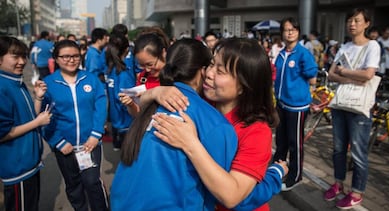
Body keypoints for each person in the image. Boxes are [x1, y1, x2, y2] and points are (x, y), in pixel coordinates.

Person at [151, 37, 288, 211]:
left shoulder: (256, 131)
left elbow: (232, 197)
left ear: (244, 85)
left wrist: (190, 144)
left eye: (220, 71)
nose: (208, 73)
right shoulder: (202, 103)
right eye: (211, 64)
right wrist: (157, 92)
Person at [110, 38, 239, 211]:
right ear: (203, 71)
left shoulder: (153, 105)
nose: (212, 74)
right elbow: (221, 193)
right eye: (213, 67)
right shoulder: (215, 124)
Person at [42, 40, 109, 211]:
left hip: (90, 144)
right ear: (56, 59)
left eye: (75, 56)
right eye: (65, 56)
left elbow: (101, 106)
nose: (71, 60)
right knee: (73, 184)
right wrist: (58, 141)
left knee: (92, 182)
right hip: (65, 146)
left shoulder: (91, 79)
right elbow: (43, 117)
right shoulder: (48, 84)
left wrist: (96, 134)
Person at [325, 8, 381, 209]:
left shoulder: (373, 46)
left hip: (359, 107)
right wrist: (351, 77)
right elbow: (331, 74)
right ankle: (338, 183)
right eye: (350, 20)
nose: (352, 24)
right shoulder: (345, 46)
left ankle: (357, 192)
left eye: (357, 20)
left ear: (366, 24)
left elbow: (368, 75)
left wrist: (345, 72)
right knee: (338, 149)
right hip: (341, 103)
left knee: (358, 151)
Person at [0, 36, 51, 211]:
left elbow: (28, 118)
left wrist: (37, 98)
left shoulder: (16, 81)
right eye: (15, 57)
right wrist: (37, 122)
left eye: (23, 56)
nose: (22, 62)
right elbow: (3, 133)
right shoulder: (2, 87)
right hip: (17, 168)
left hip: (29, 164)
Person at [272, 17, 318, 191]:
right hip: (282, 104)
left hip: (297, 107)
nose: (289, 32)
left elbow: (312, 78)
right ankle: (277, 168)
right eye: (286, 29)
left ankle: (296, 175)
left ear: (298, 32)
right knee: (281, 140)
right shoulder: (282, 53)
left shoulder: (303, 53)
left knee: (295, 142)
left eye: (293, 29)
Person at [118, 28, 170, 116]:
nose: (147, 69)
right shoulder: (143, 77)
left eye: (150, 64)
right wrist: (131, 104)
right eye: (142, 65)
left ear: (163, 53)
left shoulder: (177, 76)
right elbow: (138, 113)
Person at [105, 34, 135, 151]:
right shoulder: (123, 73)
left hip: (116, 119)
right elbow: (125, 98)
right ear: (127, 49)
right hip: (126, 121)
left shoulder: (111, 69)